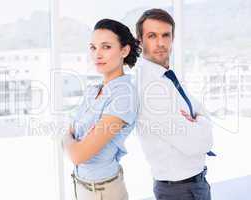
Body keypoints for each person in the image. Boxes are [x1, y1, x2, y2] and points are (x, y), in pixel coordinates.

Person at [135, 8, 215, 200]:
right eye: (152, 36)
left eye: (166, 35)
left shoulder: (167, 76)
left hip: (194, 184)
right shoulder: (150, 88)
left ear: (172, 38)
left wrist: (200, 120)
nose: (161, 43)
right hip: (180, 191)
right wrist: (202, 123)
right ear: (140, 41)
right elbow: (195, 143)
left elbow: (201, 111)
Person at [63, 18, 141, 200]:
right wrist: (73, 140)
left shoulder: (124, 95)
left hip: (104, 192)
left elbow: (78, 154)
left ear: (124, 50)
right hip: (80, 185)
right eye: (93, 47)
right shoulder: (94, 90)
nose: (97, 54)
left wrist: (67, 138)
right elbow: (73, 137)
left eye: (106, 47)